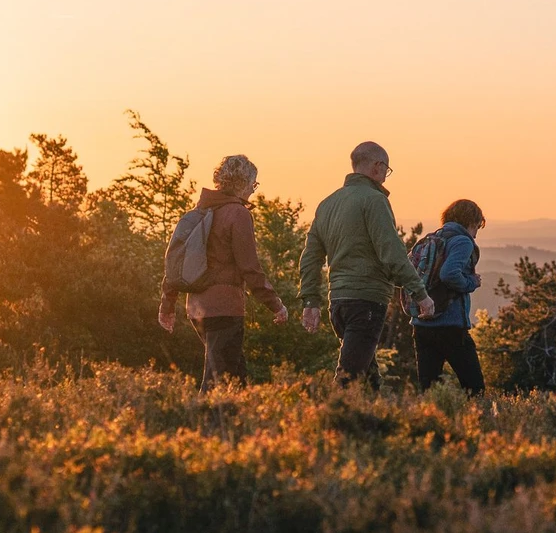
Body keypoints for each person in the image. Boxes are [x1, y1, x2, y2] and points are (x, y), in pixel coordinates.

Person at [300, 141, 435, 388]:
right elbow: (392, 252)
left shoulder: (327, 204)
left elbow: (310, 257)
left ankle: (371, 423)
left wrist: (311, 301)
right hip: (367, 301)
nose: (386, 176)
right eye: (387, 170)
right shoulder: (374, 200)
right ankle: (328, 421)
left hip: (338, 304)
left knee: (368, 381)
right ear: (377, 166)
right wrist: (420, 293)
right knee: (348, 380)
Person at [159, 154, 289, 388]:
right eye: (253, 184)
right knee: (219, 381)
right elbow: (250, 268)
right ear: (242, 183)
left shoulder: (198, 212)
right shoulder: (238, 214)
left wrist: (167, 305)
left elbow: (175, 263)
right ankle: (203, 422)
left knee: (235, 377)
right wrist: (275, 304)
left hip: (197, 309)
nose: (253, 190)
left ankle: (235, 423)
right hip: (225, 309)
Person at [412, 199, 487, 394]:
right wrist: (471, 282)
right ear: (471, 221)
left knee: (428, 391)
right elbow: (449, 273)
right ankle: (478, 423)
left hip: (422, 325)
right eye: (477, 226)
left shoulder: (431, 239)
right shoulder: (462, 241)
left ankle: (428, 423)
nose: (476, 233)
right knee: (474, 387)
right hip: (450, 325)